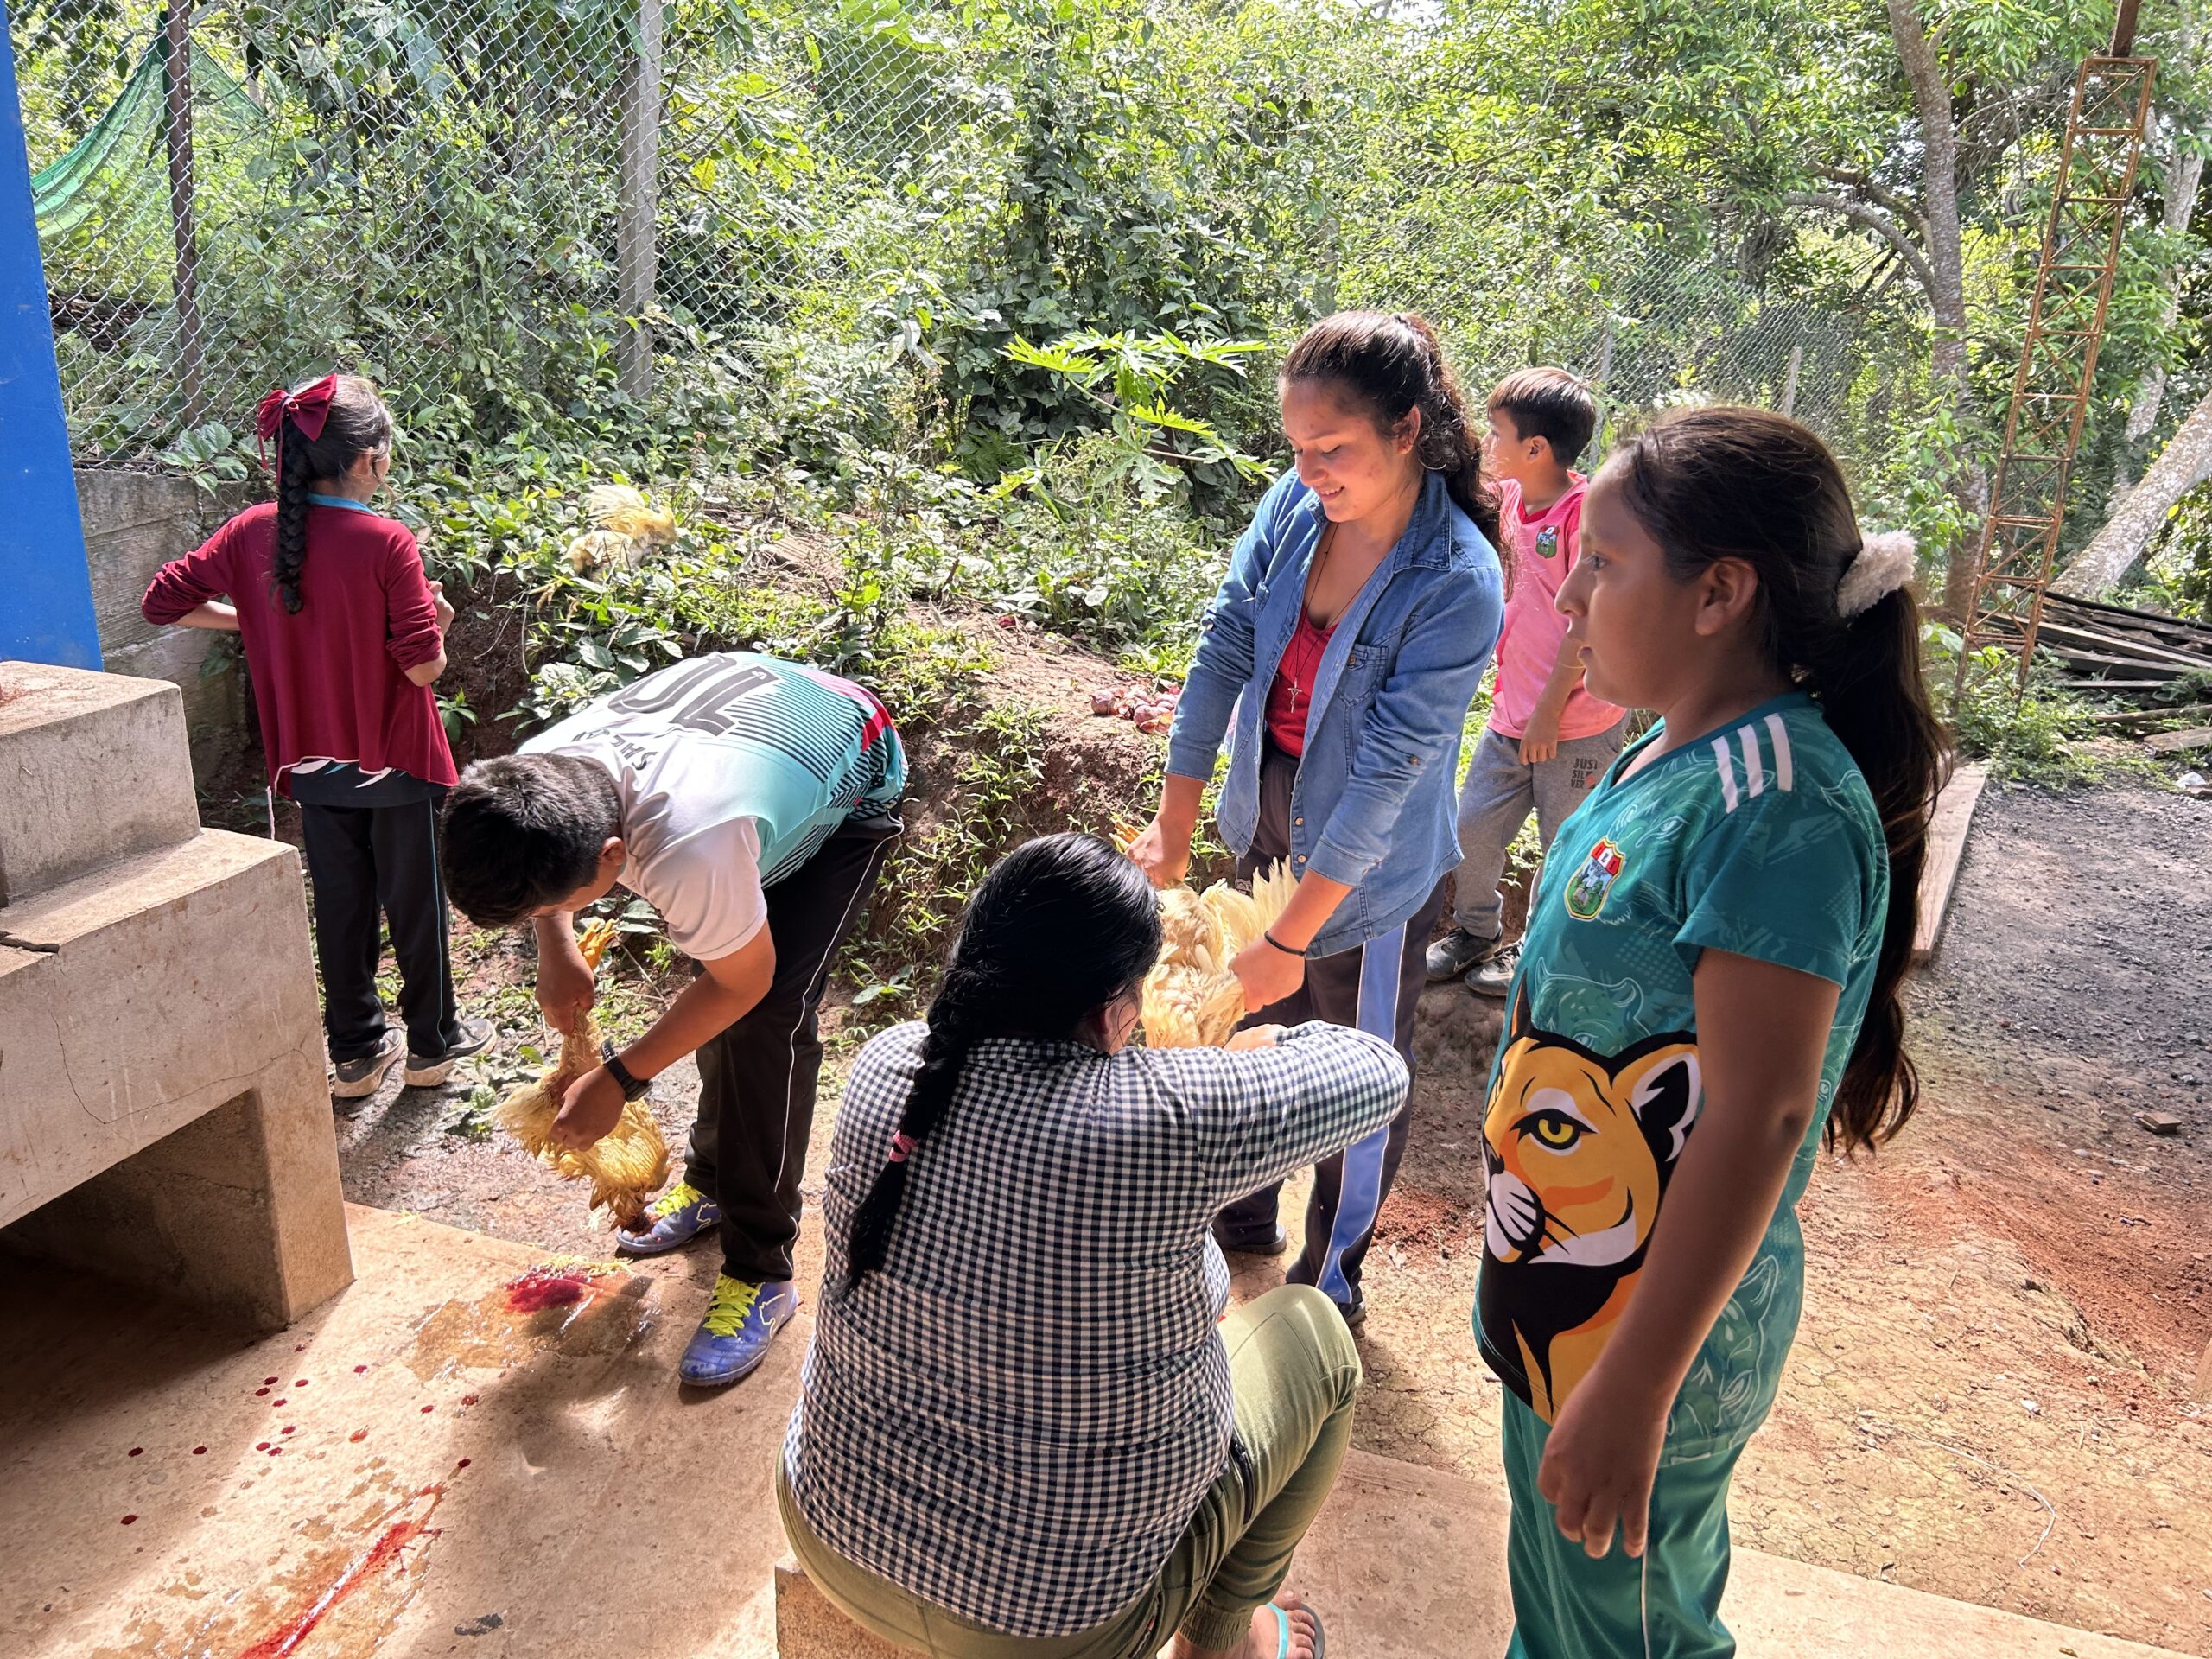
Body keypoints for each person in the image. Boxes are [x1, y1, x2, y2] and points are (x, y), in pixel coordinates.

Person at [1477, 408, 1942, 1657]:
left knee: (1628, 1635)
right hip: (1575, 1298)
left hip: (1646, 1336)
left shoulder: (1775, 802)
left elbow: (1761, 1111)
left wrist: (1634, 1384)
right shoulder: (1672, 753)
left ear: (1719, 593)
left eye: (1610, 560)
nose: (1571, 589)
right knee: (1566, 1616)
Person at [782, 833, 1409, 1659]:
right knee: (1317, 1338)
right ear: (1122, 1010)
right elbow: (1379, 1070)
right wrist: (1255, 1054)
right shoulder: (1169, 1118)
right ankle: (1228, 1639)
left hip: (828, 1530)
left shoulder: (888, 1065)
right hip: (1053, 1624)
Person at [1128, 310, 1504, 1325]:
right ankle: (1241, 1217)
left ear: (1407, 431)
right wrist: (1177, 814)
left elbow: (1389, 775)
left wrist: (1295, 937)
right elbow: (1222, 652)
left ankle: (1331, 1277)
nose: (1310, 472)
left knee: (1360, 1072)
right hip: (1270, 819)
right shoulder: (1295, 511)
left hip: (1370, 874)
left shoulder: (1459, 580)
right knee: (1248, 1032)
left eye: (1332, 451)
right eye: (1296, 450)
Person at [439, 651, 905, 1387]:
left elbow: (741, 983)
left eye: (542, 905)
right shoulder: (529, 776)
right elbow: (577, 891)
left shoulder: (690, 844)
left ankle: (762, 1271)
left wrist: (619, 1078)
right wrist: (554, 944)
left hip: (850, 760)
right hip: (744, 743)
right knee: (712, 969)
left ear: (616, 854)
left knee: (766, 1014)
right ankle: (716, 1181)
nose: (540, 915)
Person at [141, 372, 490, 1099]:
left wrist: (256, 624)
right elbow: (423, 669)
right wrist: (442, 622)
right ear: (368, 460)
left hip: (310, 764)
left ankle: (356, 1055)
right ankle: (432, 1045)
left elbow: (162, 602)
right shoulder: (387, 542)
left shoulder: (249, 532)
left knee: (340, 901)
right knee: (415, 903)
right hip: (395, 759)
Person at [1426, 366, 1627, 997]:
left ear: (1536, 448)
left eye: (1498, 434)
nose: (1489, 444)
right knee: (1472, 828)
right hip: (1511, 717)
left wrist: (1547, 713)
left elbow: (1584, 621)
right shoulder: (1511, 499)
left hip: (1576, 726)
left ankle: (1541, 949)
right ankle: (1477, 931)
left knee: (1567, 847)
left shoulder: (1583, 516)